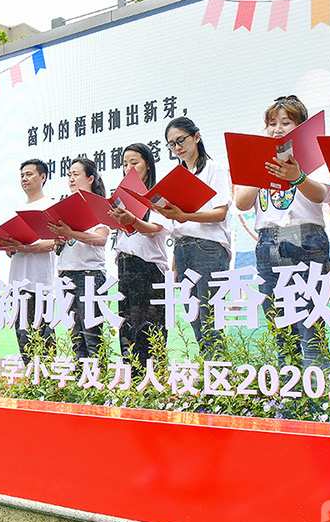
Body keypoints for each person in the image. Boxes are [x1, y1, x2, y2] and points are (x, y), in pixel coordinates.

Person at [233, 96, 330, 368]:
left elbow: (321, 194)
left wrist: (297, 176)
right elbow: (242, 203)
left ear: (300, 127)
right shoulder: (257, 160)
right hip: (268, 243)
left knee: (311, 324)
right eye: (272, 124)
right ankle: (289, 399)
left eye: (285, 123)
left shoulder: (313, 155)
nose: (277, 129)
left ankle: (319, 403)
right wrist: (258, 169)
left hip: (306, 240)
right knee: (280, 326)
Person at [160, 116, 232, 360]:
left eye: (181, 140)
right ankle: (209, 376)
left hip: (208, 249)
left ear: (197, 137)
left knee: (211, 320)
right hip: (182, 250)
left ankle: (218, 381)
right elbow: (177, 223)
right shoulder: (177, 176)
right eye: (172, 144)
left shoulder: (214, 169)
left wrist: (185, 214)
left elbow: (220, 212)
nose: (177, 147)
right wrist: (174, 265)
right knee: (196, 321)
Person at [108, 144, 171, 366]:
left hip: (149, 269)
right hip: (125, 266)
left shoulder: (158, 195)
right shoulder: (120, 198)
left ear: (148, 165)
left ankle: (154, 384)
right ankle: (131, 380)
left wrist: (133, 221)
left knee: (150, 326)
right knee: (127, 325)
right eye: (125, 164)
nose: (129, 168)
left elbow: (155, 229)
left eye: (134, 163)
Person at [48, 158, 110, 359]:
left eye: (76, 174)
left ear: (90, 178)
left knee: (92, 336)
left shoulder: (100, 205)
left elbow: (101, 238)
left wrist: (72, 233)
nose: (71, 179)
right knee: (75, 337)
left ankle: (97, 385)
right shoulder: (65, 206)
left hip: (90, 275)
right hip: (66, 274)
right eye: (69, 175)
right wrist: (59, 238)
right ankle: (80, 384)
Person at [2, 159, 57, 361]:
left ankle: (50, 386)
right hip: (18, 283)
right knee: (23, 338)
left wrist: (26, 247)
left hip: (41, 283)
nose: (24, 179)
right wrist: (9, 247)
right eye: (22, 175)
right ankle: (33, 384)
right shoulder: (15, 209)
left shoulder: (51, 206)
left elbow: (55, 242)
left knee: (44, 338)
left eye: (30, 174)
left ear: (43, 177)